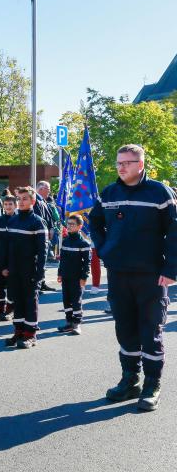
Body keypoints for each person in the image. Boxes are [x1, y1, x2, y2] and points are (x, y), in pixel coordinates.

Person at [90, 144, 177, 411]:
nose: (120, 167)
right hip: (118, 273)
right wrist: (105, 249)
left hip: (151, 275)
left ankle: (152, 384)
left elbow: (174, 232)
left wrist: (171, 269)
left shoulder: (159, 192)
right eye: (118, 163)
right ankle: (131, 380)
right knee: (125, 328)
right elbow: (95, 222)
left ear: (140, 164)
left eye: (126, 163)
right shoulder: (110, 192)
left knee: (150, 330)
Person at [1, 186, 47, 349]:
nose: (20, 202)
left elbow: (43, 251)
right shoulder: (12, 220)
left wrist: (40, 273)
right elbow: (8, 246)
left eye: (25, 199)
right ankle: (19, 332)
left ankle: (30, 334)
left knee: (30, 302)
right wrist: (5, 266)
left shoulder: (37, 222)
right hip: (14, 269)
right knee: (17, 301)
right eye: (19, 199)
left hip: (30, 270)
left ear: (33, 201)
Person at [56, 214, 91, 335]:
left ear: (80, 226)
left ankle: (77, 324)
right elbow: (63, 260)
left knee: (76, 301)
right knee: (66, 300)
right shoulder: (65, 241)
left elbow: (87, 263)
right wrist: (60, 273)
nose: (69, 226)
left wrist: (84, 277)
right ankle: (69, 322)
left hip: (77, 278)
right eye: (68, 224)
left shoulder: (84, 244)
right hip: (66, 276)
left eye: (72, 224)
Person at [34, 181, 56, 292]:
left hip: (46, 235)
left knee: (43, 260)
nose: (49, 191)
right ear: (41, 188)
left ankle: (42, 282)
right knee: (38, 260)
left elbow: (49, 217)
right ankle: (37, 284)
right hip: (39, 235)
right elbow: (39, 218)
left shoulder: (43, 200)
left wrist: (51, 228)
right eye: (48, 188)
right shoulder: (35, 201)